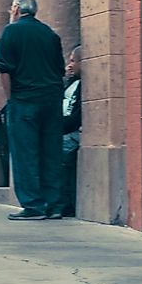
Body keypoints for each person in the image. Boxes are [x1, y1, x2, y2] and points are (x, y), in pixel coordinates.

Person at [0, 0, 66, 220]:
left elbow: (4, 70)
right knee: (51, 152)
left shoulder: (10, 32)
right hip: (51, 100)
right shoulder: (50, 34)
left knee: (25, 154)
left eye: (11, 8)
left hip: (24, 100)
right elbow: (60, 69)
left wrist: (11, 100)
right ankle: (54, 205)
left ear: (16, 9)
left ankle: (34, 206)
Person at [55, 44, 84, 219]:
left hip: (73, 133)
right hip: (64, 130)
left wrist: (57, 128)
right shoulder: (71, 83)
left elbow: (77, 116)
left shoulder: (85, 86)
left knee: (58, 151)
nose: (69, 65)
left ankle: (62, 204)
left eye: (74, 61)